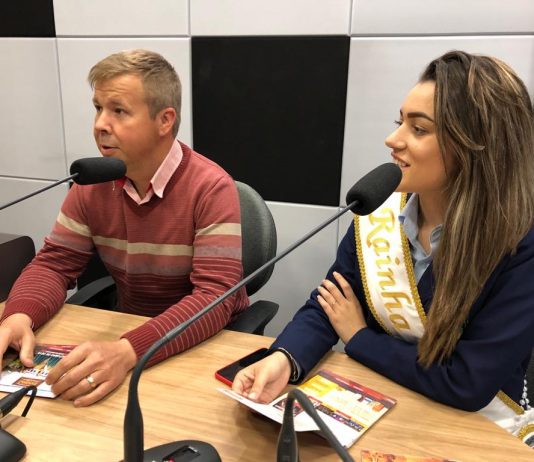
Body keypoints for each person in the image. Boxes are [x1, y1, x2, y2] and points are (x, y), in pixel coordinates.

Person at [232, 50, 534, 445]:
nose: (393, 140)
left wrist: (359, 337)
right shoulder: (378, 212)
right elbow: (331, 304)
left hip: (476, 430)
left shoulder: (518, 244)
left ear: (477, 146)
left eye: (419, 129)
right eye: (399, 122)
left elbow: (467, 382)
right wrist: (284, 358)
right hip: (383, 406)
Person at [0, 49, 249, 406]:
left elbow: (214, 299)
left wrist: (128, 349)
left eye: (118, 111)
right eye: (98, 108)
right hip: (129, 337)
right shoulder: (92, 182)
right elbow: (54, 264)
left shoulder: (211, 187)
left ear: (164, 121)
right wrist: (17, 317)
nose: (100, 124)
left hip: (205, 345)